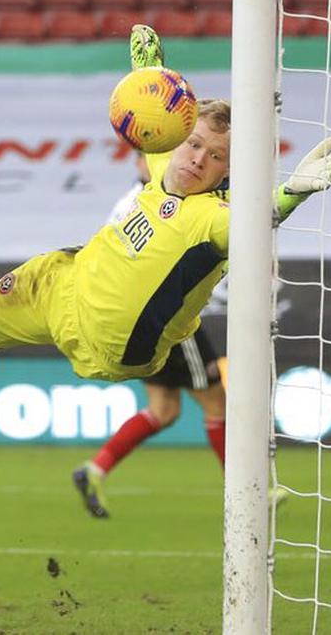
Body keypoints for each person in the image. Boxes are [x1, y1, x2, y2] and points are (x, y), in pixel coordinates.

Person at [0, 24, 331, 470]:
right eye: (194, 144)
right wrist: (149, 73)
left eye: (216, 157)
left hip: (114, 347)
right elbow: (154, 113)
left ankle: (249, 485)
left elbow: (255, 223)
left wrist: (292, 192)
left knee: (186, 402)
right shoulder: (166, 153)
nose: (197, 159)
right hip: (63, 285)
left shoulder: (211, 219)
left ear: (227, 173)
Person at [69, 26, 227, 519]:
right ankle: (252, 494)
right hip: (165, 318)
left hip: (134, 319)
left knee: (165, 410)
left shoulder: (151, 199)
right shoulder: (153, 201)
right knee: (217, 402)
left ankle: (95, 469)